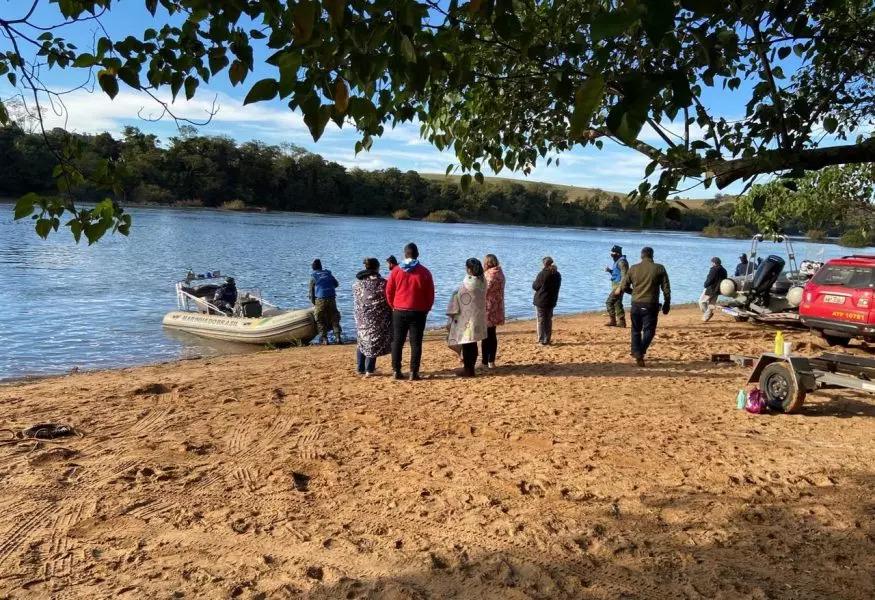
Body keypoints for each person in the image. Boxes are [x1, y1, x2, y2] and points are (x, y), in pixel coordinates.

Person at [385, 242, 435, 381]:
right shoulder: (425, 272)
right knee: (416, 343)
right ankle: (413, 372)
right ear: (417, 254)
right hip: (418, 311)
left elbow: (389, 291)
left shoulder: (396, 271)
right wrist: (427, 308)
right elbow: (430, 294)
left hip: (399, 310)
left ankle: (396, 370)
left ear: (404, 254)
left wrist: (393, 305)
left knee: (397, 342)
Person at [616, 247, 671, 367]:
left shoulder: (633, 268)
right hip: (651, 304)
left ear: (641, 256)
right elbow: (666, 288)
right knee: (649, 331)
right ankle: (639, 352)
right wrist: (667, 303)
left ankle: (637, 352)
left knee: (635, 330)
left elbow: (624, 286)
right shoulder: (659, 268)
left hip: (636, 304)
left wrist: (634, 293)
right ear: (652, 256)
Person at [447, 258, 488, 377]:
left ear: (469, 269)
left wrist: (455, 295)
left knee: (467, 342)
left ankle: (468, 369)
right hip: (478, 316)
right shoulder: (482, 281)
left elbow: (459, 295)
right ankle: (470, 368)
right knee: (473, 342)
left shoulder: (469, 283)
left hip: (467, 317)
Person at [352, 258, 392, 376]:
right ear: (377, 268)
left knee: (362, 340)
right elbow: (388, 299)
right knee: (372, 340)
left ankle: (360, 368)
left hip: (361, 316)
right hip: (376, 317)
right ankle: (369, 369)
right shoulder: (382, 283)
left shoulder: (357, 284)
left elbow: (358, 300)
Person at [309, 259, 343, 345]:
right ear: (321, 266)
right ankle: (338, 337)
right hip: (332, 298)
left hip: (320, 299)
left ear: (313, 267)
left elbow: (311, 294)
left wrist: (314, 304)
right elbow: (336, 284)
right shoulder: (328, 274)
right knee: (334, 317)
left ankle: (324, 339)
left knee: (319, 318)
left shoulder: (313, 276)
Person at [481, 254, 506, 368]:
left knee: (486, 335)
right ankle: (492, 361)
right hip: (498, 306)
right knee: (492, 334)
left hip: (488, 307)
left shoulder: (489, 275)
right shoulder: (500, 273)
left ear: (487, 263)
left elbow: (484, 291)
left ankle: (485, 362)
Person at [532, 256, 561, 345]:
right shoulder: (557, 274)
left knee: (541, 320)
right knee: (548, 320)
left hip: (541, 300)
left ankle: (541, 340)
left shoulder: (543, 273)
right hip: (551, 300)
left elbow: (535, 286)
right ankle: (547, 339)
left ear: (544, 264)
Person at [604, 245, 629, 327]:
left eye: (613, 254)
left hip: (619, 285)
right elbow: (616, 274)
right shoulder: (618, 261)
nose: (611, 256)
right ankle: (621, 322)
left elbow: (624, 276)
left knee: (609, 302)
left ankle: (613, 321)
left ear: (617, 254)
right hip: (616, 284)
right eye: (611, 254)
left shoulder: (622, 262)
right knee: (617, 303)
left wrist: (619, 288)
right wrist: (610, 271)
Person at [699, 257, 728, 322]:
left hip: (711, 288)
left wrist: (705, 285)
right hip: (718, 289)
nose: (711, 263)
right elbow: (725, 280)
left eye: (712, 262)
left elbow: (710, 279)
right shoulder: (724, 270)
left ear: (714, 263)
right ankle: (706, 317)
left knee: (701, 301)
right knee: (711, 303)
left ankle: (707, 315)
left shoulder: (714, 269)